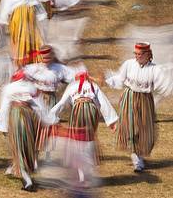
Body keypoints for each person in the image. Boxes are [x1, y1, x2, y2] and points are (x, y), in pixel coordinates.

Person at [105, 43, 172, 172]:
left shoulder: (155, 69)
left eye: (140, 54)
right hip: (129, 97)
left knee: (142, 130)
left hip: (145, 101)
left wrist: (167, 87)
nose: (137, 56)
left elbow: (163, 86)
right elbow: (120, 79)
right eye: (135, 53)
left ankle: (139, 155)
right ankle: (137, 160)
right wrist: (108, 80)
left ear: (148, 54)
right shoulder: (129, 64)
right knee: (131, 128)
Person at [49, 70, 118, 182]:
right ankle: (87, 167)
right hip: (91, 109)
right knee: (88, 139)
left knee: (78, 140)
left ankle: (82, 172)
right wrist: (111, 122)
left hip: (78, 109)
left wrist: (50, 116)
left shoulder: (72, 87)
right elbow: (103, 103)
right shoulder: (93, 85)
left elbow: (62, 103)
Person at [0, 69, 43, 191]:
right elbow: (37, 105)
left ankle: (27, 180)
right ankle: (17, 167)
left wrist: (2, 126)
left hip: (16, 115)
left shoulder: (9, 88)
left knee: (17, 147)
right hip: (28, 117)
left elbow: (5, 106)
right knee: (25, 146)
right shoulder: (31, 87)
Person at [23, 45, 75, 156]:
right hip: (37, 100)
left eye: (48, 56)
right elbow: (20, 77)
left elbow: (74, 76)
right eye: (43, 56)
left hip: (51, 100)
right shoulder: (33, 68)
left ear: (52, 56)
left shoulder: (59, 68)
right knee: (36, 126)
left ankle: (48, 155)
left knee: (51, 126)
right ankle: (34, 153)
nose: (46, 59)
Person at [0, 0, 47, 66]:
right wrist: (41, 16)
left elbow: (5, 6)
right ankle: (33, 58)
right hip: (30, 12)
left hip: (18, 13)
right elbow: (37, 4)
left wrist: (1, 20)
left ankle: (21, 60)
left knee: (19, 36)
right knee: (31, 35)